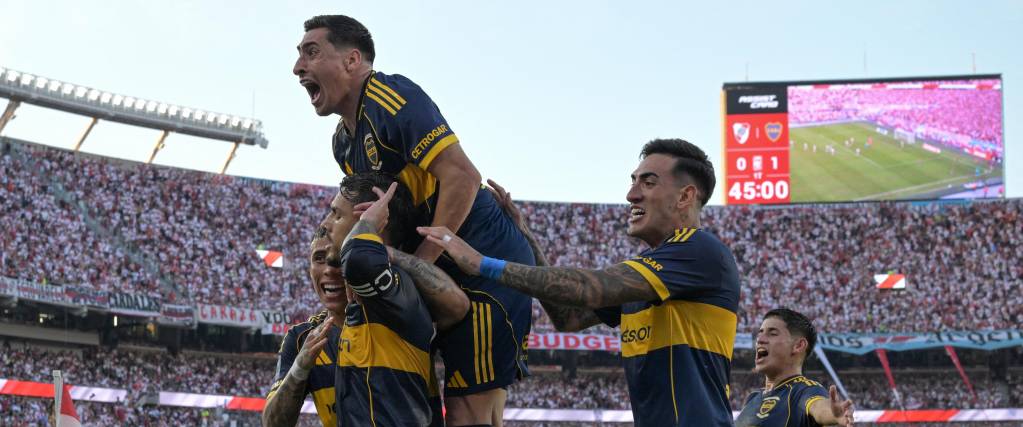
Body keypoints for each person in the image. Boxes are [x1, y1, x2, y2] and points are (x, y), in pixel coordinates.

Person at [294, 15, 536, 426]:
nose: (298, 67)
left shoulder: (389, 95)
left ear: (353, 60)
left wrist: (417, 265)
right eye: (298, 56)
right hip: (437, 265)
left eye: (311, 52)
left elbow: (462, 176)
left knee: (469, 412)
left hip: (480, 260)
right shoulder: (342, 143)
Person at [421, 139, 740, 426]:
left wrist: (482, 264)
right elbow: (567, 316)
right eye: (633, 181)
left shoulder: (699, 250)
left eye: (648, 182)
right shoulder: (653, 273)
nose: (631, 194)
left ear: (685, 196)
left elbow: (590, 288)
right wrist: (527, 238)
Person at [262, 173, 468, 427]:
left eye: (338, 260)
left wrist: (376, 243)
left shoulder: (397, 301)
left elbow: (458, 306)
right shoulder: (303, 338)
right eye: (319, 260)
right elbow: (272, 423)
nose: (329, 270)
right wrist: (299, 369)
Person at [735, 309, 855, 426]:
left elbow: (820, 408)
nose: (760, 340)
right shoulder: (753, 397)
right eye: (759, 333)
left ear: (798, 346)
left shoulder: (804, 390)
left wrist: (834, 415)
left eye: (772, 334)